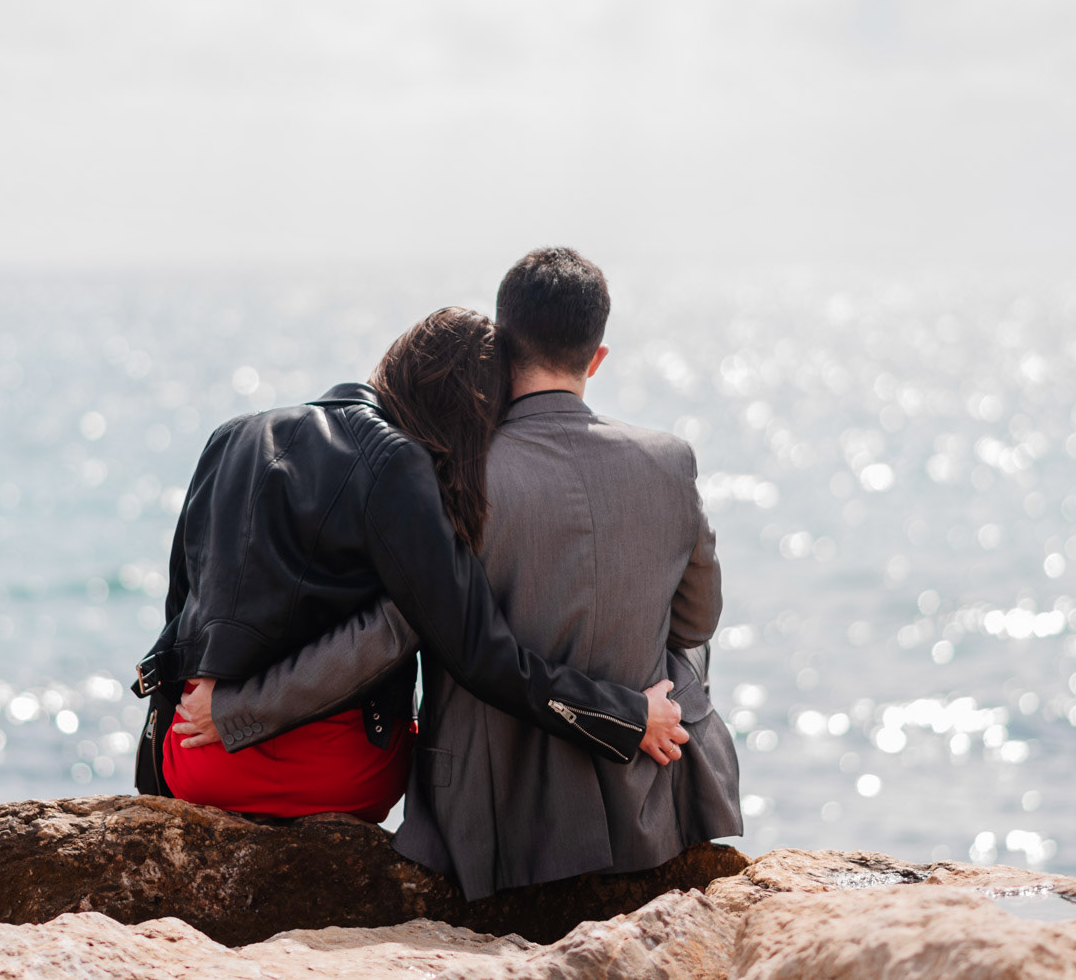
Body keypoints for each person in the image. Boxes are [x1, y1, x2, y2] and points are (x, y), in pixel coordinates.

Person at [177, 248, 740, 898]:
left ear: (500, 348)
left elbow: (383, 637)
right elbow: (699, 621)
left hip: (494, 817)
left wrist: (238, 710)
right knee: (680, 642)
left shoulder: (457, 480)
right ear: (597, 358)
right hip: (652, 787)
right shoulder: (672, 461)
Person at [134, 305, 689, 822]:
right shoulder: (398, 464)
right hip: (334, 774)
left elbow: (181, 600)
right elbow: (479, 654)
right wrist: (624, 716)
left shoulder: (231, 435)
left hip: (189, 756)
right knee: (405, 617)